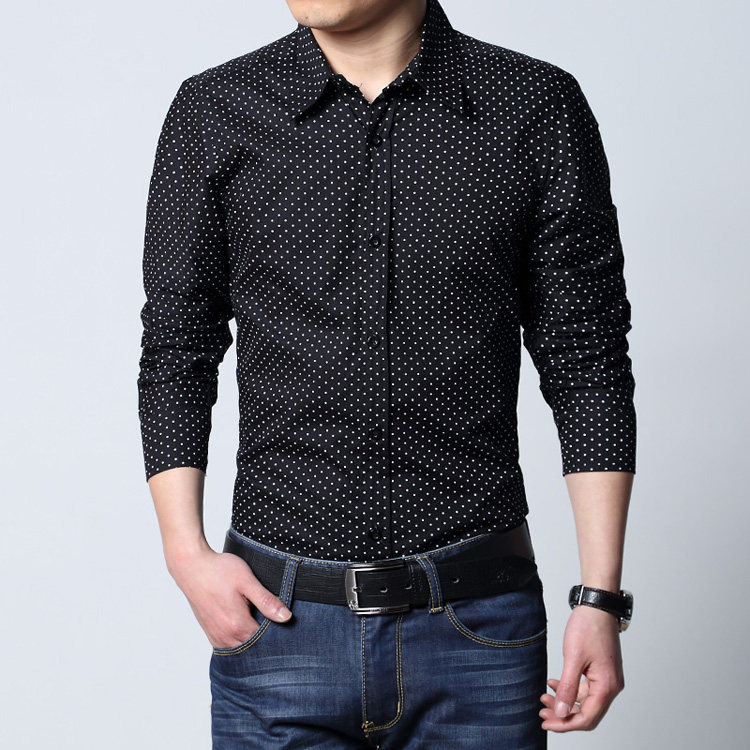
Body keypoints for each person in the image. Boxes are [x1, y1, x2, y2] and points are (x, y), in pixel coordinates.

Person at [137, 0, 637, 747]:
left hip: (478, 629)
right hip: (279, 625)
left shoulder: (534, 105)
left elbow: (587, 356)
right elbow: (177, 344)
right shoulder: (216, 109)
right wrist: (186, 554)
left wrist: (599, 598)